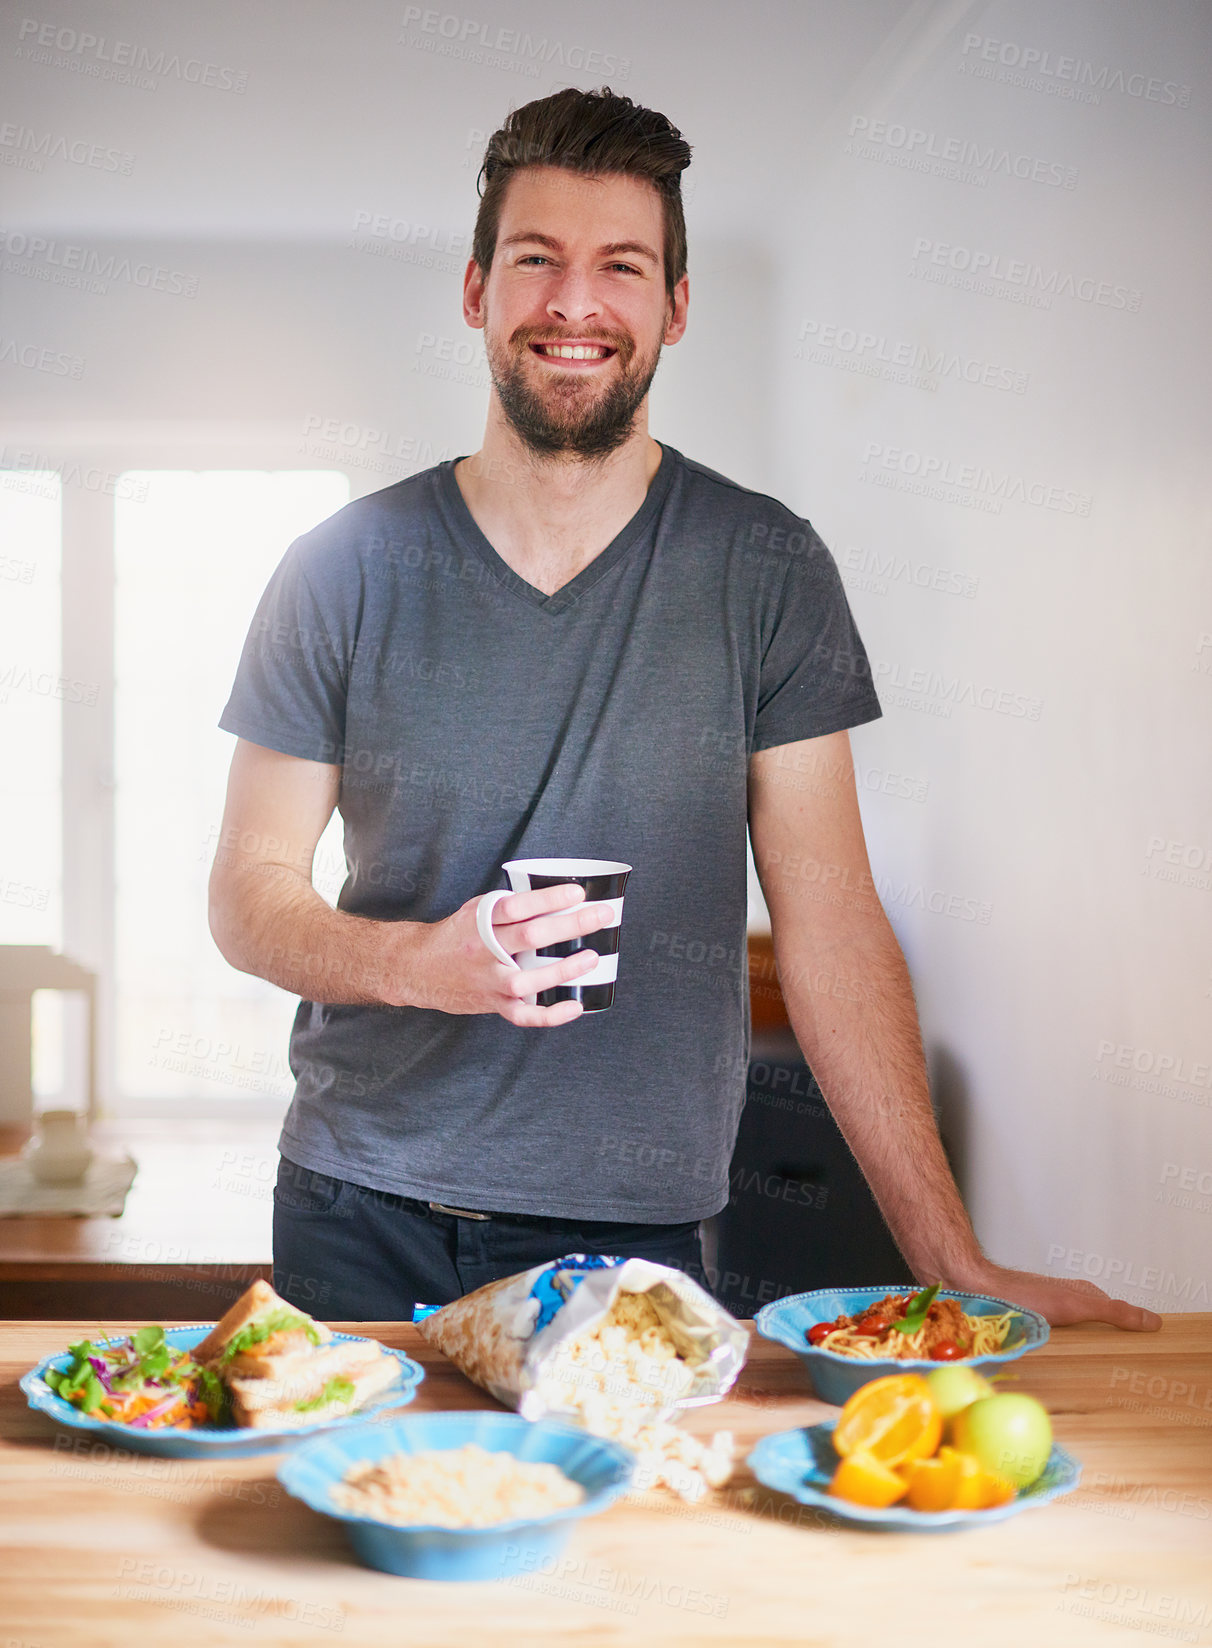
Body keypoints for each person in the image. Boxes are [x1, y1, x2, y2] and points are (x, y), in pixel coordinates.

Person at [210, 87, 1157, 1333]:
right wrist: (418, 963)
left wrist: (954, 1259)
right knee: (365, 1520)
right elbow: (248, 893)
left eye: (622, 266)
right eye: (536, 261)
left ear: (675, 307)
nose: (573, 303)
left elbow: (829, 919)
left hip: (633, 1240)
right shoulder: (340, 566)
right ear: (476, 289)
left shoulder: (767, 569)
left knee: (622, 1537)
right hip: (357, 1207)